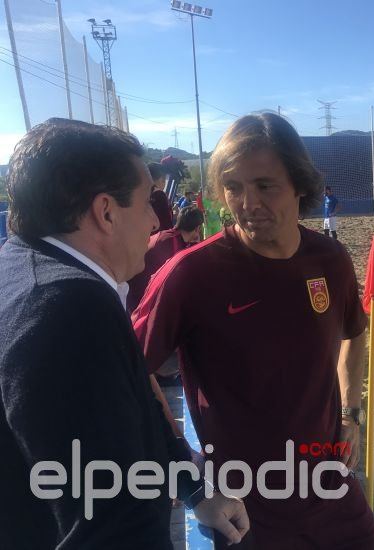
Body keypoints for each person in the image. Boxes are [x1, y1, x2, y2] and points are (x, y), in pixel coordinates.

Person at [132, 113, 374, 549]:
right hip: (246, 503)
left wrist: (351, 413)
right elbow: (125, 374)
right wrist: (189, 483)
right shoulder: (191, 274)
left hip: (327, 482)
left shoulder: (330, 260)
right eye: (233, 187)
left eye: (265, 186)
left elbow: (354, 332)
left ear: (300, 184)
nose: (248, 203)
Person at [0, 119, 249, 549]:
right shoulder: (70, 308)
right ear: (106, 212)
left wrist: (192, 487)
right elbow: (112, 519)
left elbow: (128, 404)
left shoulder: (24, 267)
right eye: (147, 201)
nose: (154, 220)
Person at [127, 205, 204, 313]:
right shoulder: (172, 245)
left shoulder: (168, 236)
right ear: (197, 228)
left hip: (133, 291)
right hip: (140, 300)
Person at [148, 162, 174, 233]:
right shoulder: (159, 195)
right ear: (162, 179)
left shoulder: (144, 194)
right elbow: (166, 223)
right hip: (159, 236)